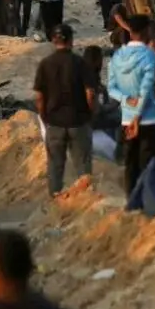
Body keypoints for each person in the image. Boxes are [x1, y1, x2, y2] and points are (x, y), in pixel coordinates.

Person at [33, 23, 97, 196]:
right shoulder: (80, 63)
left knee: (55, 166)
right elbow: (90, 93)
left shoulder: (45, 64)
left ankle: (55, 201)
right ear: (71, 40)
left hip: (54, 121)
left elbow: (39, 96)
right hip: (78, 120)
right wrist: (90, 113)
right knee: (83, 166)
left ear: (53, 40)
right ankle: (85, 202)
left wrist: (44, 115)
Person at [106, 14, 155, 194]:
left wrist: (126, 100)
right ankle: (147, 203)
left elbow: (111, 89)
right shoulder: (149, 57)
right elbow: (145, 91)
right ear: (146, 31)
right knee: (148, 165)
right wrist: (137, 117)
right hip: (147, 120)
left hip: (126, 119)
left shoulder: (118, 56)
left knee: (130, 164)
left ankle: (132, 201)